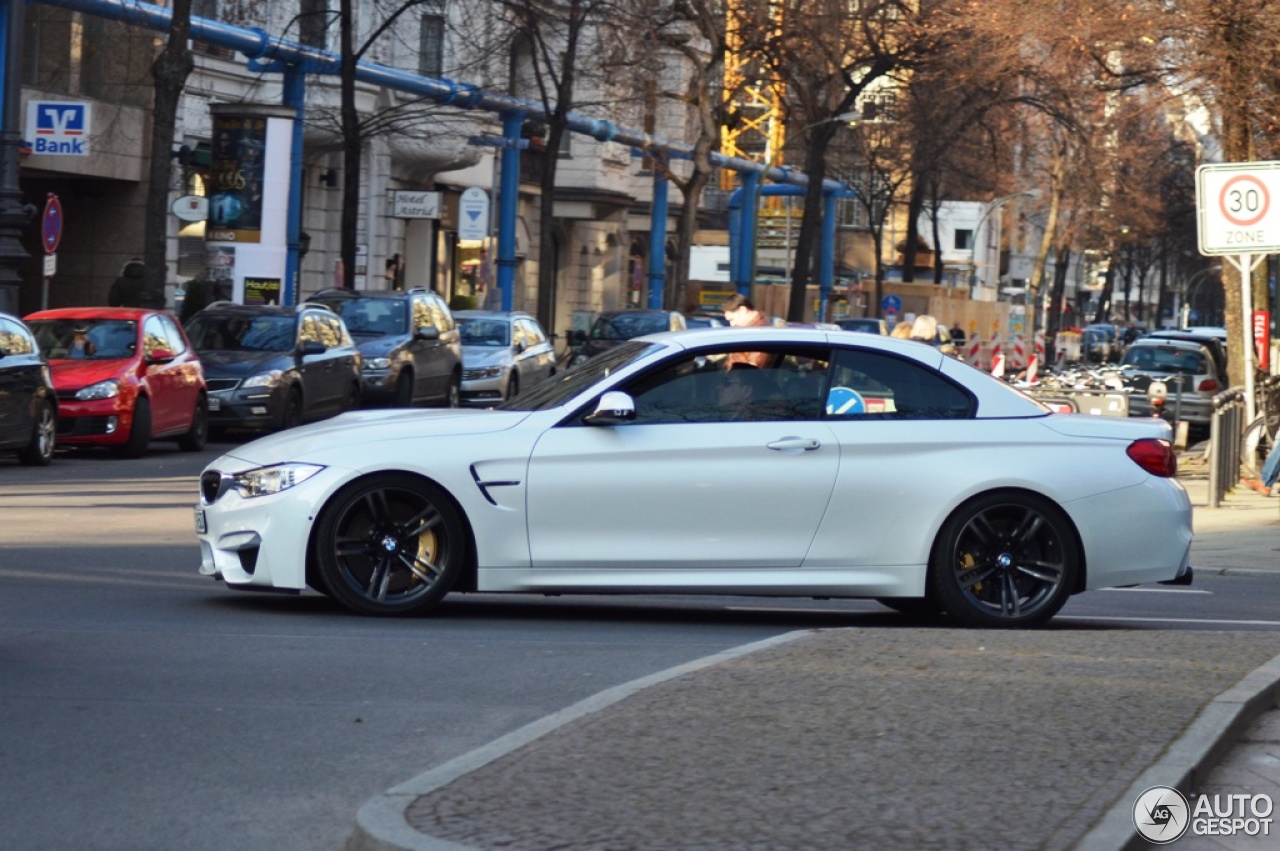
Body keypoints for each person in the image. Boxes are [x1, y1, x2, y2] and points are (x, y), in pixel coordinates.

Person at [722, 294, 771, 369]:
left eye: (732, 319)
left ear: (743, 310)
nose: (732, 324)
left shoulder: (758, 333)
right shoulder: (751, 331)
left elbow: (754, 367)